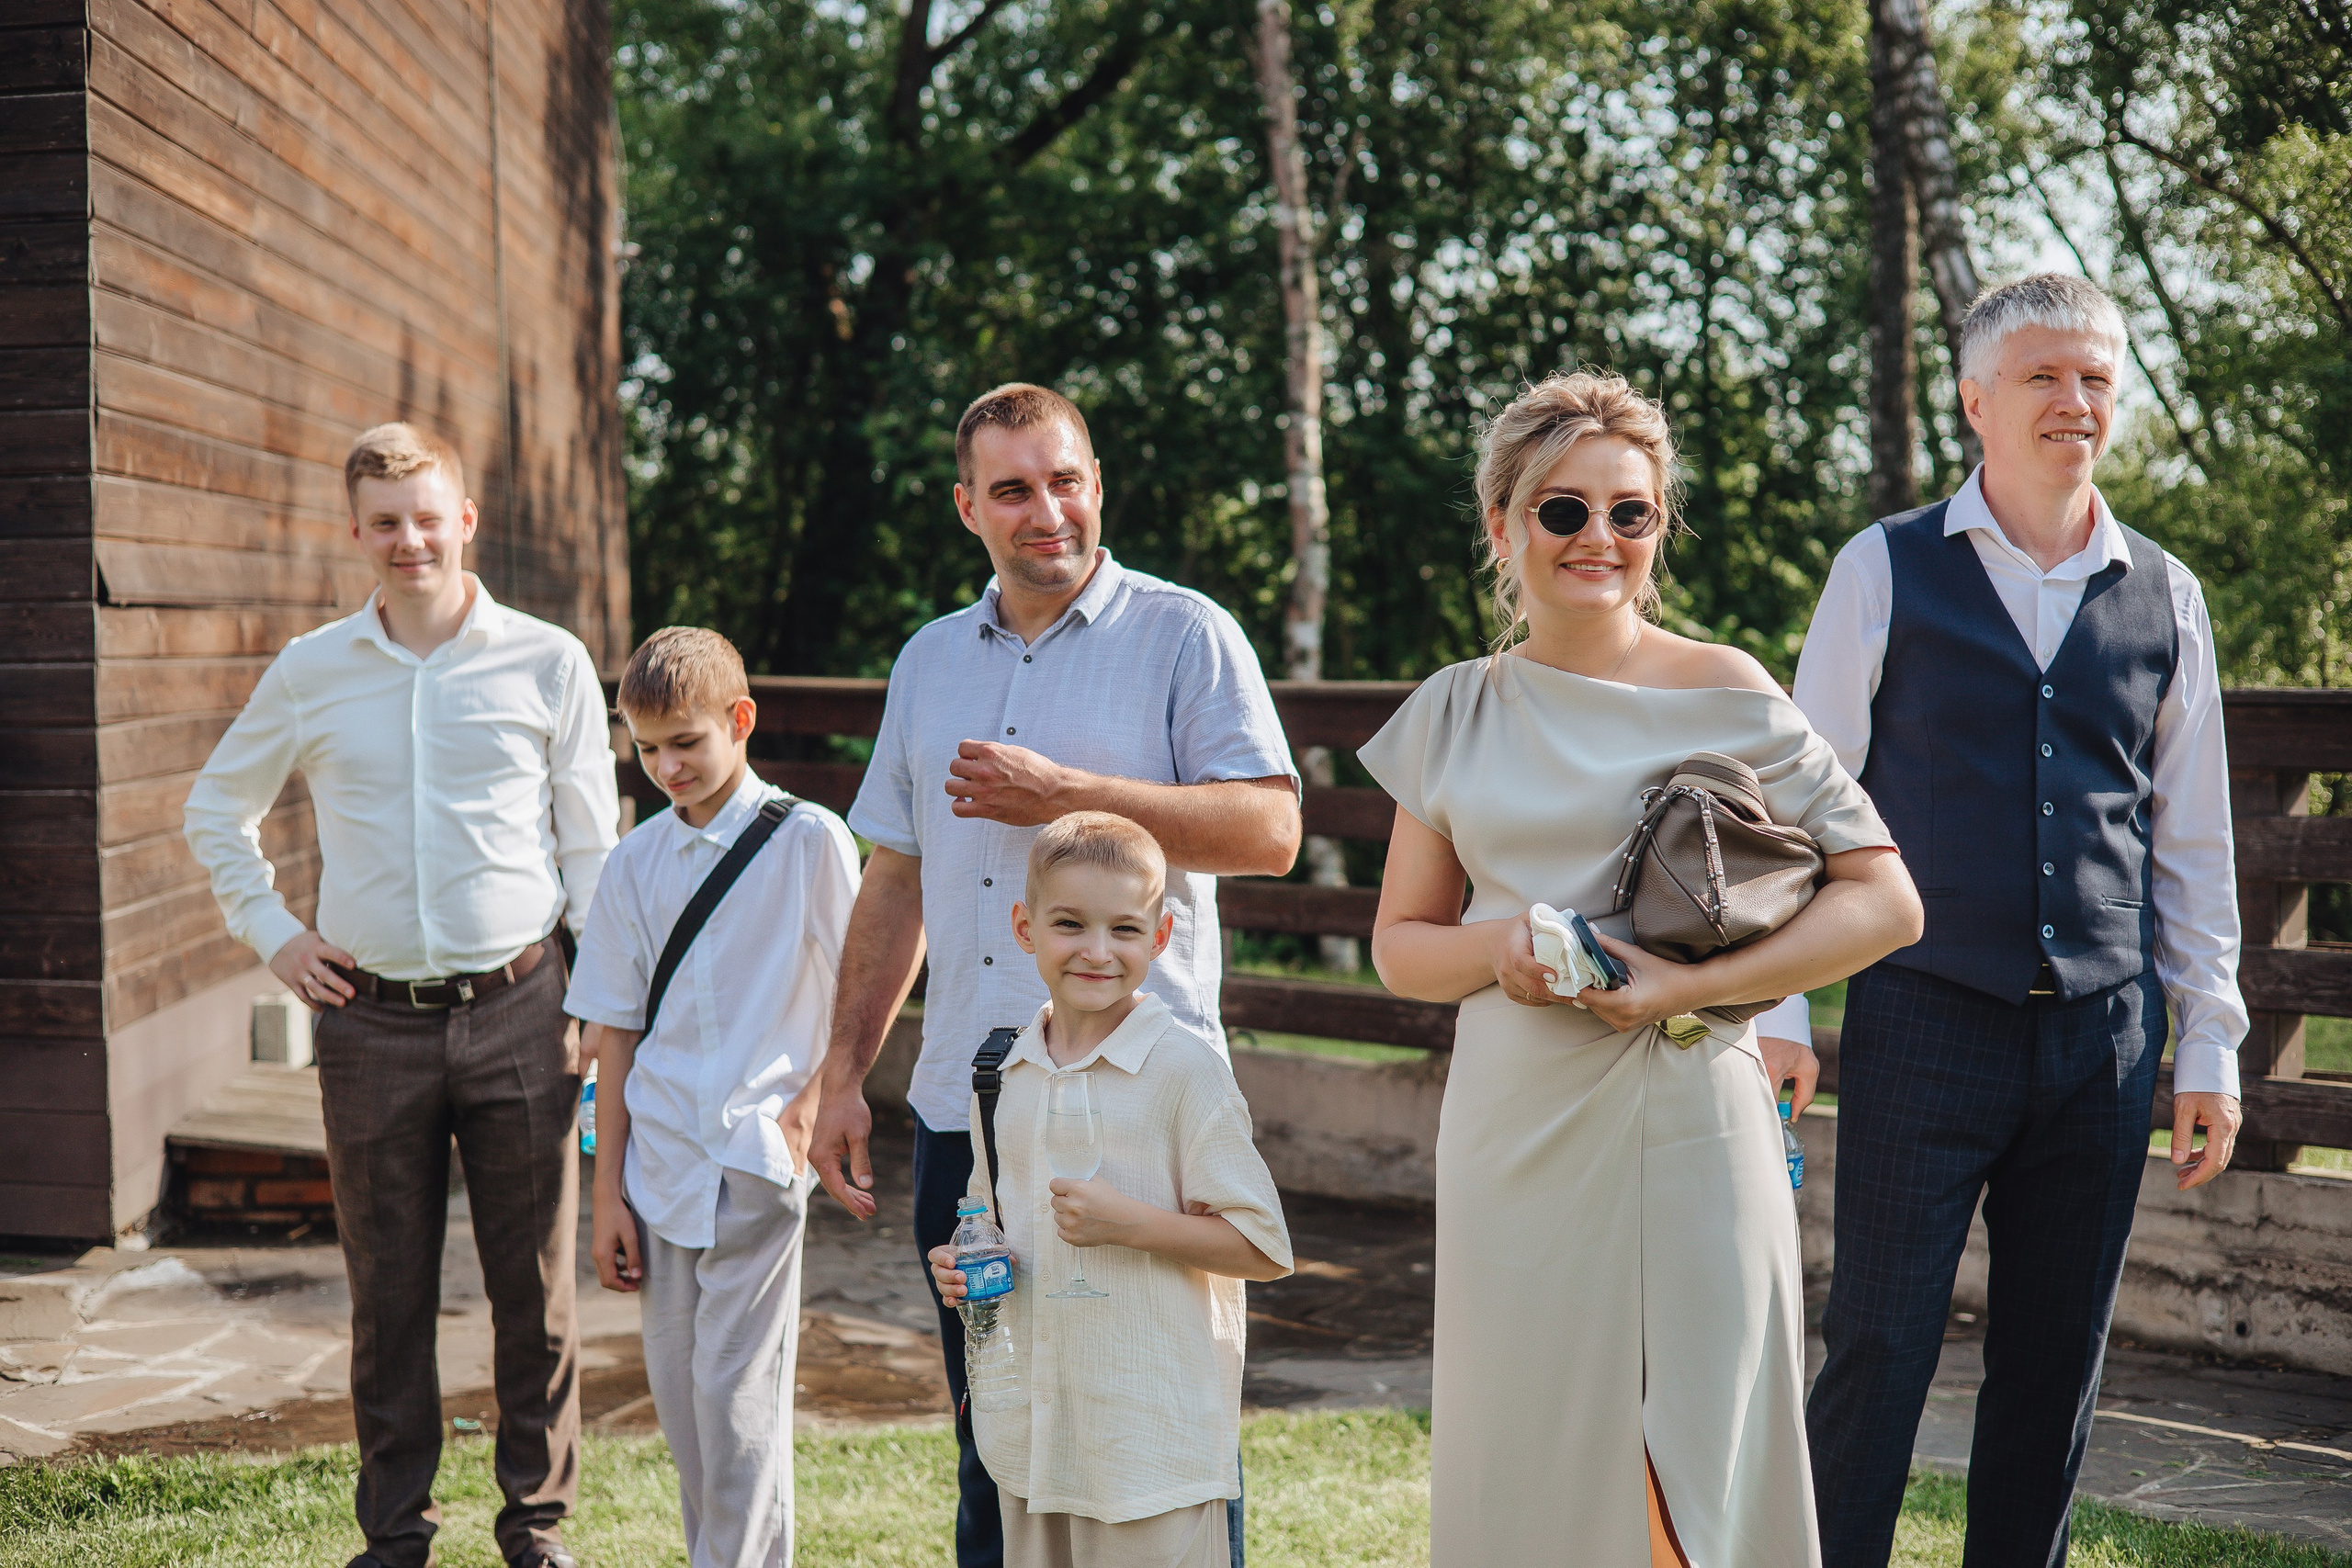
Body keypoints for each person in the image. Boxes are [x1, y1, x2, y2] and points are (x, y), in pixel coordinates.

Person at [1358, 371, 1924, 1567]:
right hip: (1516, 1134)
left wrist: (1681, 988)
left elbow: (1887, 901)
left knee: (1699, 1462)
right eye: (1564, 510)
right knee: (1531, 1456)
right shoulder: (1453, 710)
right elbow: (1400, 945)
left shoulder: (1727, 686)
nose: (1599, 537)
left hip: (1693, 1118)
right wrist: (1497, 950)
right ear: (1503, 524)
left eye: (1631, 511)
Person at [808, 382, 1301, 1567]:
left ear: (1097, 484)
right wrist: (840, 1075)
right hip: (969, 1110)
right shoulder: (928, 659)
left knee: (1165, 1426)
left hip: (1141, 1109)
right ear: (967, 507)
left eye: (1065, 480)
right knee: (996, 1430)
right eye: (1013, 489)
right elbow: (895, 876)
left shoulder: (1185, 634)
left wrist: (1063, 794)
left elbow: (1270, 832)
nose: (1046, 511)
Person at [1796, 274, 2247, 1568]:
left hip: (2102, 1042)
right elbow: (1799, 806)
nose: (2074, 401)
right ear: (1974, 400)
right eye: (2043, 375)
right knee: (1877, 1343)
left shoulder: (2166, 593)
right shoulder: (1881, 567)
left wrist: (2210, 1043)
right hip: (1921, 1015)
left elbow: (2194, 843)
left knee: (2055, 1363)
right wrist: (1777, 1011)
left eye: (2096, 376)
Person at [183, 423, 618, 1568]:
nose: (409, 540)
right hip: (368, 1020)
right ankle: (394, 1536)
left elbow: (592, 848)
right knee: (386, 1294)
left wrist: (598, 994)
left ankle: (537, 1527)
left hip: (525, 1007)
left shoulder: (548, 662)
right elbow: (215, 808)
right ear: (357, 531)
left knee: (535, 1291)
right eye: (386, 522)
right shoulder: (311, 669)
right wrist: (275, 934)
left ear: (465, 520)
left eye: (428, 518)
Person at [567, 626, 860, 1568]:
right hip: (655, 1170)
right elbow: (614, 1036)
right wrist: (605, 1195)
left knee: (737, 1407)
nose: (667, 767)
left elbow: (862, 988)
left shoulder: (810, 840)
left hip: (753, 1159)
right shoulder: (633, 862)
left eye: (686, 742)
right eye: (647, 748)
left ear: (741, 720)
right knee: (687, 1410)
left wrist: (808, 1107)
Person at [928, 812, 1293, 1568]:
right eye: (1070, 923)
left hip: (1150, 1450)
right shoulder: (1000, 1073)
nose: (1097, 950)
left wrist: (1131, 1224)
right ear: (1025, 928)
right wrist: (964, 1263)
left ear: (1160, 937)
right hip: (1035, 1442)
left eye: (1124, 928)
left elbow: (1263, 1247)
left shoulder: (1184, 1073)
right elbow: (985, 1215)